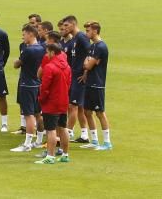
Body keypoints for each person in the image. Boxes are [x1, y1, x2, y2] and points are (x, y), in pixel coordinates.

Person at [10, 24, 45, 153]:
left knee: (28, 115)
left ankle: (27, 144)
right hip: (37, 84)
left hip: (27, 84)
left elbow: (17, 64)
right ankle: (39, 140)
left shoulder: (28, 50)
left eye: (24, 34)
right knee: (38, 113)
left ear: (31, 34)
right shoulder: (42, 48)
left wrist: (16, 61)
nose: (22, 37)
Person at [35, 42, 71, 164]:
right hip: (63, 100)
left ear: (51, 52)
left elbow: (44, 87)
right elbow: (69, 83)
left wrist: (41, 99)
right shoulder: (67, 66)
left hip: (51, 103)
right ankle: (65, 154)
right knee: (63, 127)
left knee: (51, 130)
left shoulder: (50, 67)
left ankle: (50, 156)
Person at [61, 15, 92, 144]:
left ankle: (67, 134)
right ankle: (84, 135)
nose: (64, 28)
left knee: (72, 106)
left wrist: (86, 72)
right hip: (73, 76)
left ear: (73, 24)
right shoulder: (74, 39)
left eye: (67, 25)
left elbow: (91, 53)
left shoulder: (81, 37)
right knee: (78, 107)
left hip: (79, 77)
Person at [82, 21, 112, 151]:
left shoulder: (101, 47)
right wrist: (87, 64)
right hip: (89, 83)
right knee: (87, 111)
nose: (86, 33)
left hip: (97, 84)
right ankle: (94, 140)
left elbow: (88, 65)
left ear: (95, 31)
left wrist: (87, 63)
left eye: (88, 31)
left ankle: (107, 142)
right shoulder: (92, 46)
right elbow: (87, 64)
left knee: (100, 113)